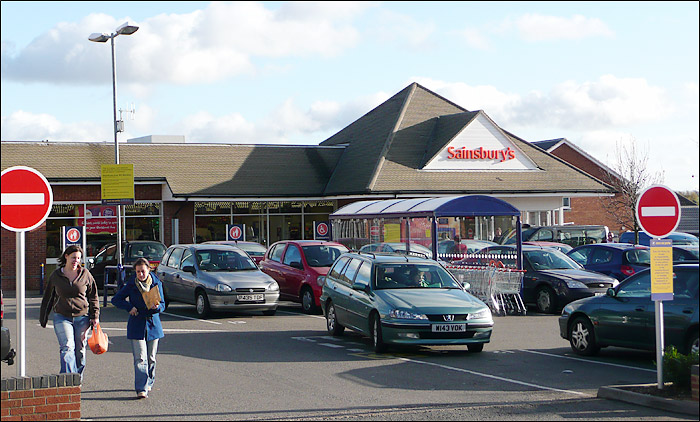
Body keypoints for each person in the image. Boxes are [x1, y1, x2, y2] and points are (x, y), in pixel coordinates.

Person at [39, 245, 100, 377]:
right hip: (62, 317)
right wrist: (43, 316)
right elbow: (48, 297)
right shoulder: (56, 275)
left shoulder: (85, 274)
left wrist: (95, 316)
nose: (76, 261)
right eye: (73, 257)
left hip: (82, 317)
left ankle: (77, 378)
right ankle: (67, 382)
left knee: (80, 350)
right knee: (67, 348)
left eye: (78, 258)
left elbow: (93, 296)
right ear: (66, 256)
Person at [111, 257, 165, 399]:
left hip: (153, 324)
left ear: (149, 270)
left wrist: (158, 307)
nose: (140, 274)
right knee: (140, 358)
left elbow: (164, 304)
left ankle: (149, 382)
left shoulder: (156, 283)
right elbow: (116, 299)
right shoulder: (131, 285)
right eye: (138, 272)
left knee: (151, 358)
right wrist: (130, 307)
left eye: (143, 271)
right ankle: (141, 388)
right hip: (137, 324)